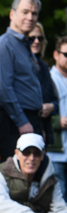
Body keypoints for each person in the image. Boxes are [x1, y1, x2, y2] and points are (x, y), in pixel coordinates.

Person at [0, 0, 44, 157]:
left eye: (34, 13)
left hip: (29, 120)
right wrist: (22, 121)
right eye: (25, 12)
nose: (30, 17)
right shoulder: (5, 43)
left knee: (31, 180)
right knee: (15, 179)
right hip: (14, 123)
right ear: (12, 14)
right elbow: (3, 88)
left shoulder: (24, 44)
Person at [30, 23, 59, 148]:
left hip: (43, 132)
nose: (36, 41)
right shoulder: (18, 65)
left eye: (40, 38)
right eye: (32, 38)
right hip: (26, 131)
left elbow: (54, 99)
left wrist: (51, 107)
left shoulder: (44, 67)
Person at [48, 36, 67, 193]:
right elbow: (35, 112)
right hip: (55, 152)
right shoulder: (46, 78)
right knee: (59, 201)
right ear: (56, 55)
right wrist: (57, 121)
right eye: (66, 55)